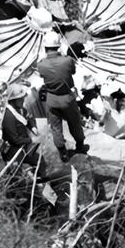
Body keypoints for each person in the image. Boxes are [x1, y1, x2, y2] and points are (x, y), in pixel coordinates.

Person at [37, 31, 89, 162]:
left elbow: (43, 76)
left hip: (52, 99)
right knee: (75, 123)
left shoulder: (41, 65)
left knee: (56, 127)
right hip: (67, 98)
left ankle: (63, 153)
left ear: (45, 47)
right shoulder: (67, 61)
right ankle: (80, 146)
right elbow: (72, 71)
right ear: (58, 46)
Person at [1, 84, 46, 177]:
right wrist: (33, 140)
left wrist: (33, 127)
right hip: (13, 151)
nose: (23, 100)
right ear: (13, 100)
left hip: (24, 147)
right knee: (15, 174)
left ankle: (39, 180)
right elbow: (14, 139)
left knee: (40, 161)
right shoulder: (8, 117)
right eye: (20, 98)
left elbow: (30, 118)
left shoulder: (21, 110)